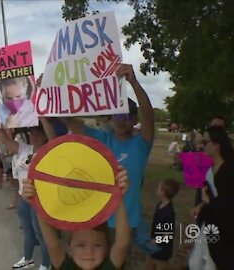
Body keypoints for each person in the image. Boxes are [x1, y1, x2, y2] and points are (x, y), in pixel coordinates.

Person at [62, 64, 155, 264]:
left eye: (129, 115)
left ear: (134, 120)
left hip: (128, 224)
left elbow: (149, 118)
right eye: (119, 114)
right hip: (98, 222)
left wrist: (134, 83)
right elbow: (71, 122)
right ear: (112, 116)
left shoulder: (141, 143)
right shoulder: (101, 139)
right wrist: (50, 93)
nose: (123, 120)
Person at [21, 166, 130, 270]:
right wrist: (38, 202)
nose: (89, 252)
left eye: (98, 245)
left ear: (107, 249)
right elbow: (52, 244)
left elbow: (122, 243)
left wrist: (118, 196)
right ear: (69, 249)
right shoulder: (66, 267)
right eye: (81, 245)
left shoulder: (108, 268)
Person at [0, 118, 54, 270]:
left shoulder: (49, 150)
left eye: (37, 133)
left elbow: (53, 136)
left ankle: (46, 264)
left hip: (40, 201)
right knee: (28, 231)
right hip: (23, 198)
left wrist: (42, 118)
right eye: (32, 132)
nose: (34, 135)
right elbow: (3, 139)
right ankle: (28, 259)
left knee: (41, 234)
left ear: (44, 136)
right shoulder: (25, 149)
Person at [189, 125, 234, 270]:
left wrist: (209, 201)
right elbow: (210, 195)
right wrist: (201, 205)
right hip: (209, 221)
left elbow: (227, 205)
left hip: (224, 229)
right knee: (195, 263)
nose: (202, 145)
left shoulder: (228, 171)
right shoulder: (210, 167)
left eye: (205, 142)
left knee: (211, 264)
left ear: (216, 145)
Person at [146, 178, 180, 270]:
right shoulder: (159, 204)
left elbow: (168, 235)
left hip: (162, 252)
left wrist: (156, 241)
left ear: (163, 192)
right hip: (153, 250)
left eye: (159, 188)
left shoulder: (168, 213)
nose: (157, 189)